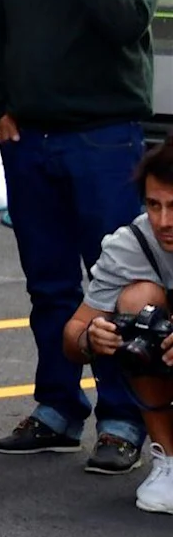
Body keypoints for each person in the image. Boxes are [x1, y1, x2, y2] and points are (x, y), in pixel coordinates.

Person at [0, 0, 161, 472]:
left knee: (115, 281)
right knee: (48, 281)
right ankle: (57, 406)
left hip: (103, 134)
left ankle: (122, 417)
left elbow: (127, 20)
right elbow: (0, 25)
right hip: (30, 135)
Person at [63, 139, 173, 514]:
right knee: (137, 302)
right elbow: (73, 333)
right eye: (154, 205)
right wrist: (90, 338)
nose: (164, 222)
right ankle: (168, 460)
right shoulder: (131, 245)